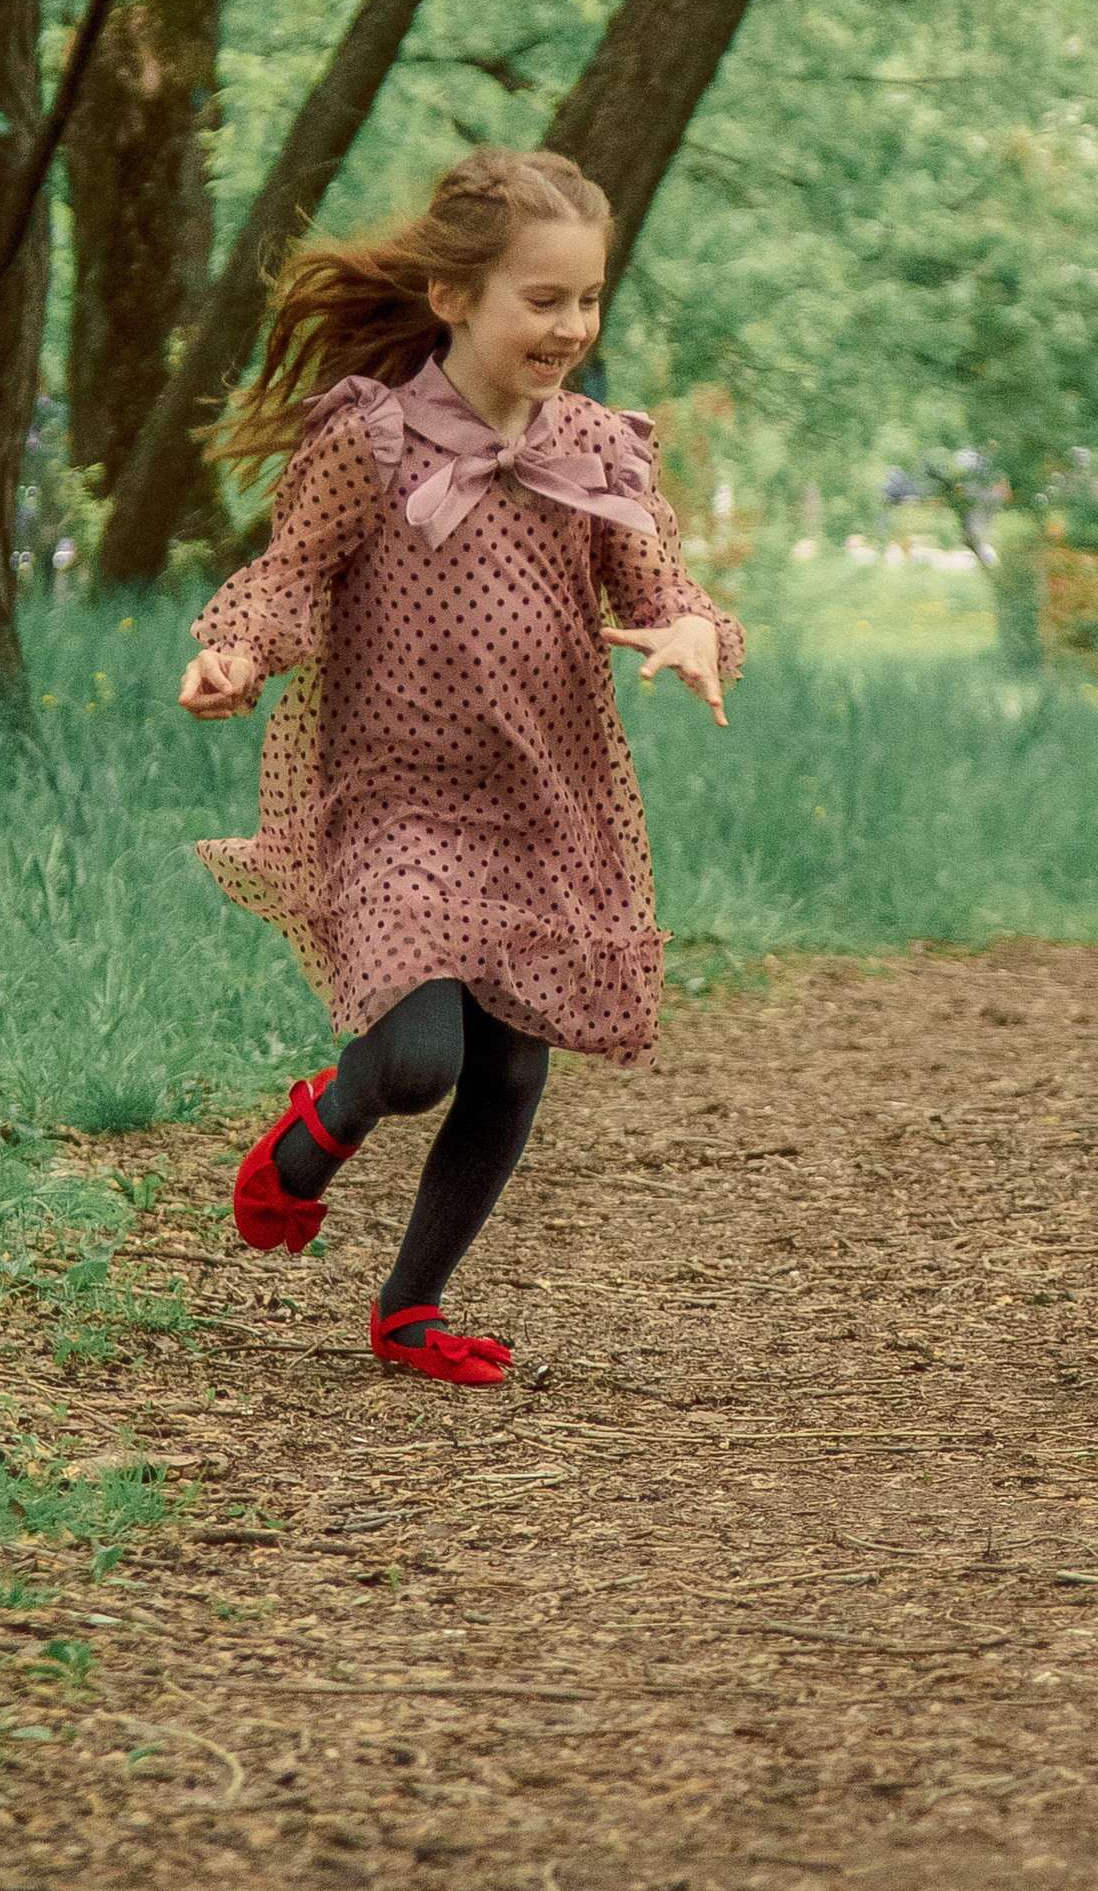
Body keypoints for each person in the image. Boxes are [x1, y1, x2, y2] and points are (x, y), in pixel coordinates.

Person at [179, 147, 742, 1388]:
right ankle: (306, 1144)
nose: (572, 326)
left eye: (588, 300)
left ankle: (412, 1309)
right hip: (392, 791)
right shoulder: (369, 443)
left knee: (514, 1059)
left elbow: (663, 584)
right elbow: (291, 575)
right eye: (542, 300)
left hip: (543, 799)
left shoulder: (599, 448)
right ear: (454, 299)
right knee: (422, 1060)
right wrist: (234, 649)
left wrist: (696, 630)